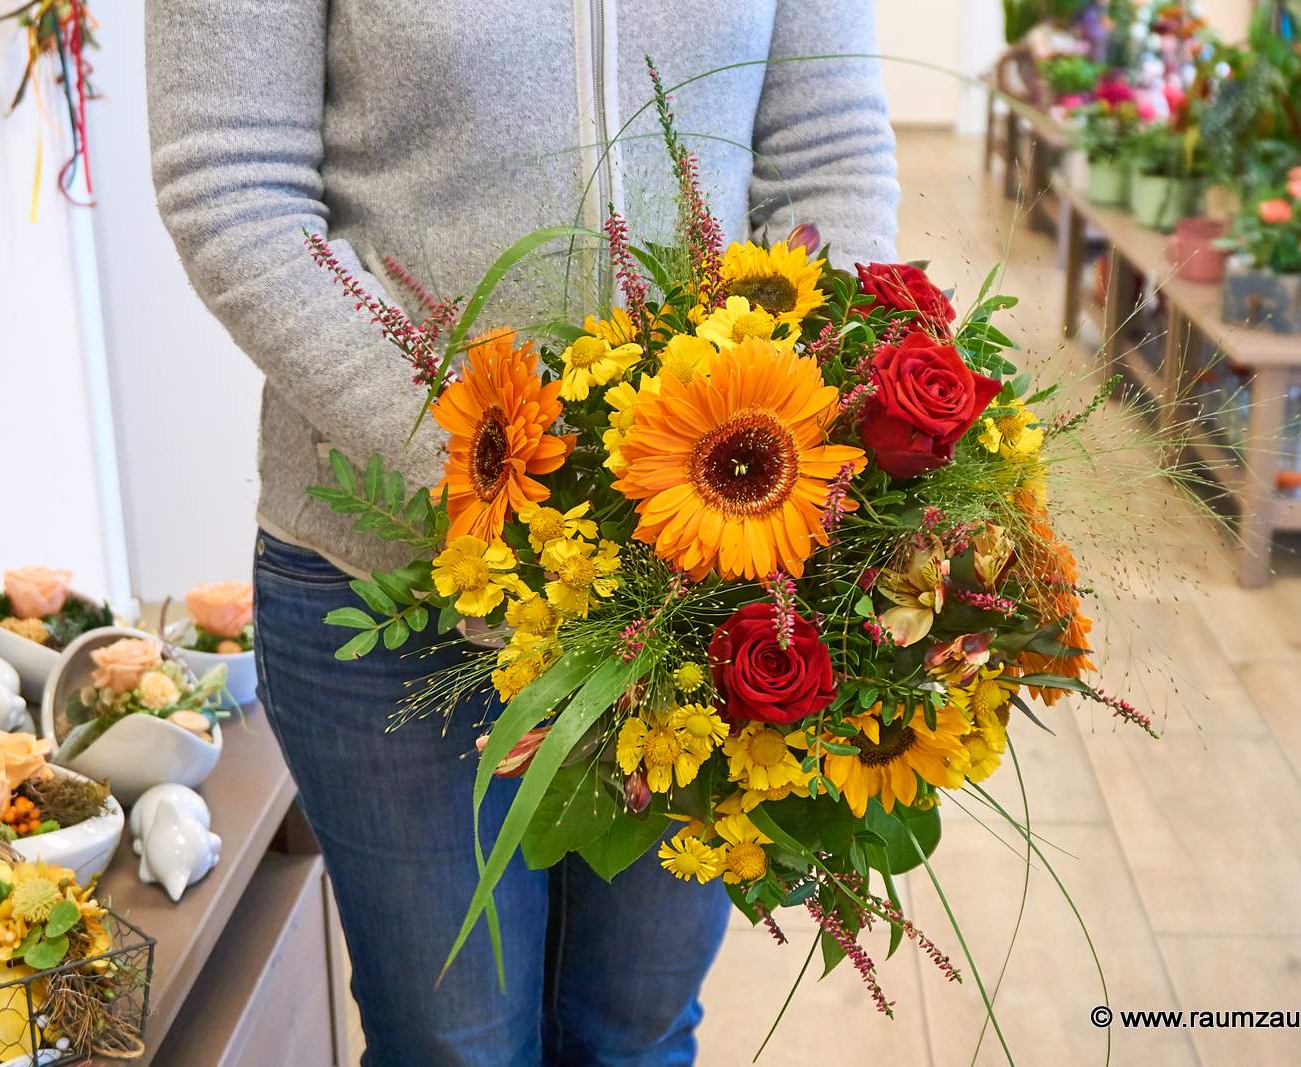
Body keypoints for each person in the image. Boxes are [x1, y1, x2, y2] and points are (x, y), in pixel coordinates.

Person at [146, 3, 898, 1064]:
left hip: (694, 590)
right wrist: (487, 470)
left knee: (634, 1037)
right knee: (451, 1047)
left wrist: (804, 438)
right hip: (392, 585)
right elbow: (230, 187)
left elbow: (828, 152)